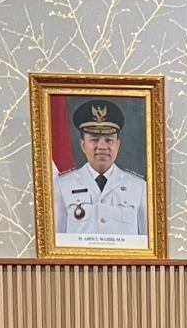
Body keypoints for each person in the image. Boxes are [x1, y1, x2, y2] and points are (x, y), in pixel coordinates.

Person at [54, 99, 148, 238]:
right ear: (82, 145)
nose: (102, 147)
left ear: (118, 144)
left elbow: (147, 241)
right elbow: (56, 240)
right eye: (94, 139)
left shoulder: (139, 187)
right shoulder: (63, 186)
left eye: (109, 140)